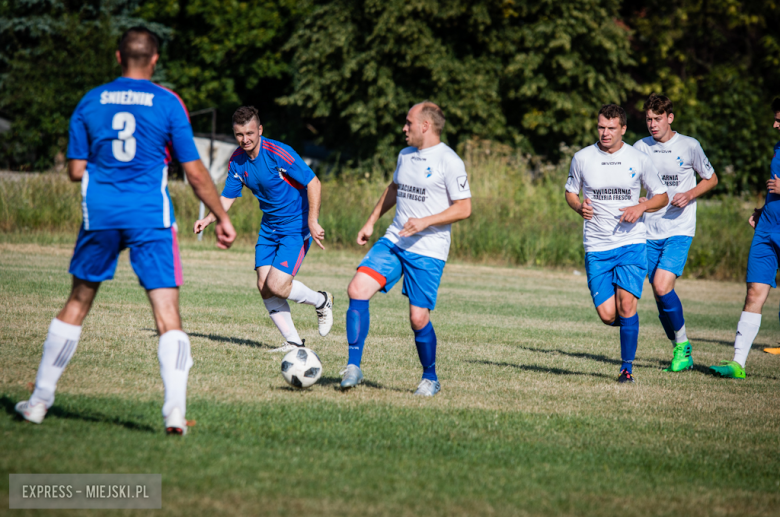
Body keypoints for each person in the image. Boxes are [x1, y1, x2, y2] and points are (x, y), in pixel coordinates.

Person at [14, 27, 236, 434]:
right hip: (150, 215)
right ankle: (173, 413)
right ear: (153, 60)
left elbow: (75, 170)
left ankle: (39, 401)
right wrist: (221, 216)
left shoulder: (90, 101)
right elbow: (194, 171)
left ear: (119, 57)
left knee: (78, 302)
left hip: (100, 214)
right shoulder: (168, 103)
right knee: (167, 313)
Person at [339, 101, 472, 396]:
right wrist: (371, 221)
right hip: (395, 240)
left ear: (425, 126)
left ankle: (430, 378)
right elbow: (394, 187)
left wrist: (426, 222)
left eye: (408, 122)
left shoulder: (450, 161)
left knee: (418, 318)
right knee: (357, 289)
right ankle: (353, 366)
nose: (404, 127)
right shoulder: (405, 155)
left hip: (429, 249)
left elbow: (464, 208)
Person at [194, 106, 333, 353]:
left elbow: (313, 182)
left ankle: (322, 301)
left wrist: (312, 221)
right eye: (239, 134)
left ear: (259, 130)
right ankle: (293, 342)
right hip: (269, 227)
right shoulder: (237, 160)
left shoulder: (279, 153)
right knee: (263, 285)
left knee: (278, 285)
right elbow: (228, 197)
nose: (245, 139)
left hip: (296, 226)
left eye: (249, 133)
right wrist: (208, 219)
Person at [565, 104, 668, 383]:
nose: (605, 133)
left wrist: (641, 209)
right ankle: (630, 326)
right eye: (601, 127)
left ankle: (626, 368)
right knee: (607, 314)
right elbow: (570, 192)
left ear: (623, 128)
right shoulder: (582, 157)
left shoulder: (638, 158)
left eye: (611, 128)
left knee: (626, 307)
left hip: (631, 242)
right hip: (597, 246)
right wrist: (578, 208)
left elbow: (661, 196)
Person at [633, 94, 718, 372]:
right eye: (648, 119)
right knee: (659, 295)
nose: (652, 124)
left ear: (670, 118)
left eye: (657, 119)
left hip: (679, 228)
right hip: (648, 229)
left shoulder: (689, 145)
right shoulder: (640, 148)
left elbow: (712, 178)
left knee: (661, 285)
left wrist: (690, 193)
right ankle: (680, 348)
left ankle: (683, 346)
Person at [710, 99, 780, 378]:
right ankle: (738, 364)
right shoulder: (778, 147)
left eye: (779, 120)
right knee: (754, 292)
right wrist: (763, 209)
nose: (775, 124)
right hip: (767, 229)